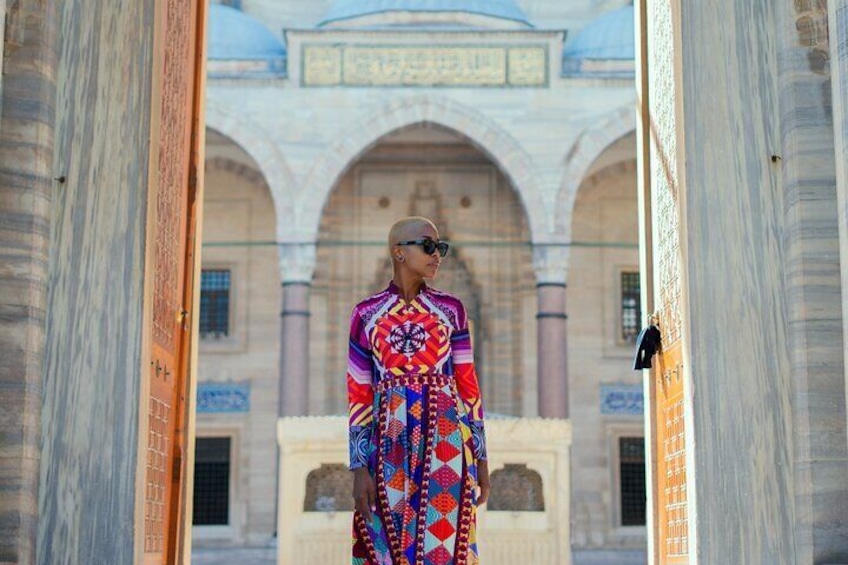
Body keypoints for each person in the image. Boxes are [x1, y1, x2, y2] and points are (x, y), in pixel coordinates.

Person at [348, 216, 490, 565]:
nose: (437, 254)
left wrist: (482, 458)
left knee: (443, 546)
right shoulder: (366, 315)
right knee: (385, 545)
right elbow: (359, 393)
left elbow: (468, 387)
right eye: (428, 246)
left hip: (446, 446)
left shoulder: (451, 311)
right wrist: (358, 468)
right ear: (399, 252)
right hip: (387, 444)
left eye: (440, 247)